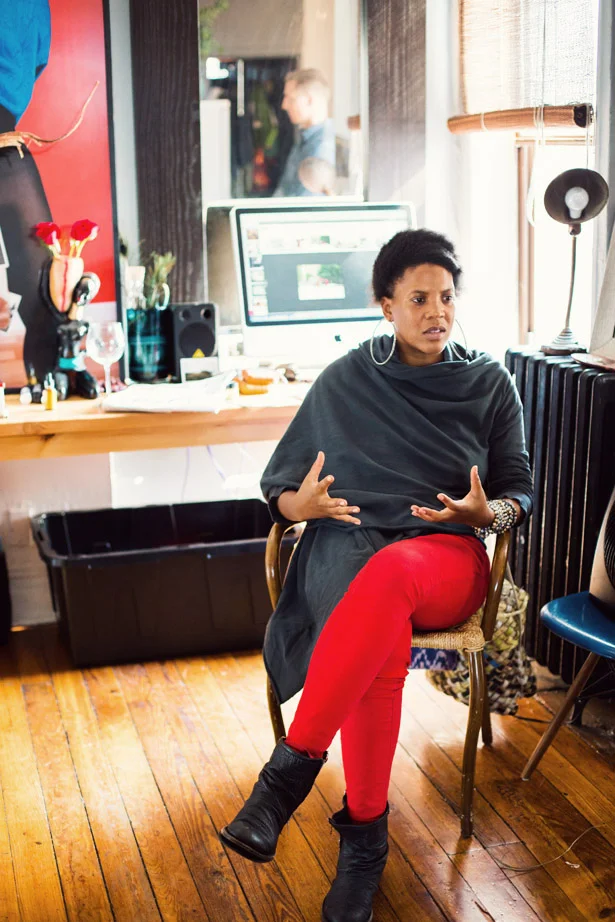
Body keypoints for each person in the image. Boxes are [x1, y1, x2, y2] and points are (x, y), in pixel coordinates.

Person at [218, 229, 533, 922]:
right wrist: (298, 507)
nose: (436, 311)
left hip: (444, 555)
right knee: (376, 631)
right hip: (349, 543)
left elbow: (520, 488)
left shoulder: (488, 381)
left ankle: (285, 777)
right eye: (418, 298)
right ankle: (363, 848)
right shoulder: (346, 378)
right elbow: (279, 486)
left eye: (446, 297)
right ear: (385, 305)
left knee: (387, 577)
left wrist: (490, 512)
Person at [0, 0, 56, 386]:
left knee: (45, 291)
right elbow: (36, 60)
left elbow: (36, 59)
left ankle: (48, 380)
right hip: (5, 136)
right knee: (43, 292)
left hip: (6, 141)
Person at [273, 68, 336, 197]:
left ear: (309, 100)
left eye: (290, 98)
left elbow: (303, 203)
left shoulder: (322, 149)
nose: (284, 105)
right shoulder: (307, 137)